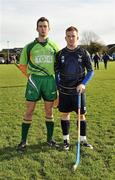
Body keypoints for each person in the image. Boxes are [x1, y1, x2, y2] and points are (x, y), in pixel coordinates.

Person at [17, 17, 59, 152]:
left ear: (49, 28)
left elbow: (58, 66)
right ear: (36, 28)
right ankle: (23, 141)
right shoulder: (29, 47)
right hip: (34, 81)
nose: (43, 28)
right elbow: (22, 65)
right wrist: (30, 77)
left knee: (49, 111)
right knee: (29, 111)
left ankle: (50, 139)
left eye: (45, 26)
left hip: (49, 81)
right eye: (40, 26)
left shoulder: (54, 46)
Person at [55, 26, 94, 150]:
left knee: (81, 116)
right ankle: (66, 141)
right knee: (64, 115)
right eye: (69, 36)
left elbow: (91, 71)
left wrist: (83, 84)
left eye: (73, 36)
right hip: (64, 91)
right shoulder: (60, 54)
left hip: (78, 92)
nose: (71, 38)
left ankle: (83, 140)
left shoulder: (83, 53)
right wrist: (58, 87)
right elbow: (56, 73)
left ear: (77, 37)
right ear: (65, 38)